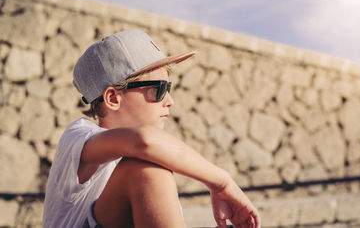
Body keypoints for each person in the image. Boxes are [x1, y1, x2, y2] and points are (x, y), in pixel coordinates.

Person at [43, 29, 260, 228]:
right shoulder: (79, 137)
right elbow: (144, 142)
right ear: (113, 98)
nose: (170, 101)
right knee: (146, 170)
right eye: (159, 90)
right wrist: (221, 183)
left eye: (169, 88)